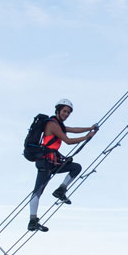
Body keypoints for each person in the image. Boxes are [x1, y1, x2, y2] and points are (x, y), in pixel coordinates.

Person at [28, 99, 98, 232]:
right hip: (45, 162)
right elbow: (68, 140)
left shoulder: (59, 124)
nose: (66, 114)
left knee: (75, 167)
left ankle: (60, 190)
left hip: (53, 161)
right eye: (64, 111)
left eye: (68, 112)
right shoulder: (52, 124)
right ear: (58, 111)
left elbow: (72, 129)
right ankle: (32, 220)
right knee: (38, 191)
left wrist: (90, 128)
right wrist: (87, 137)